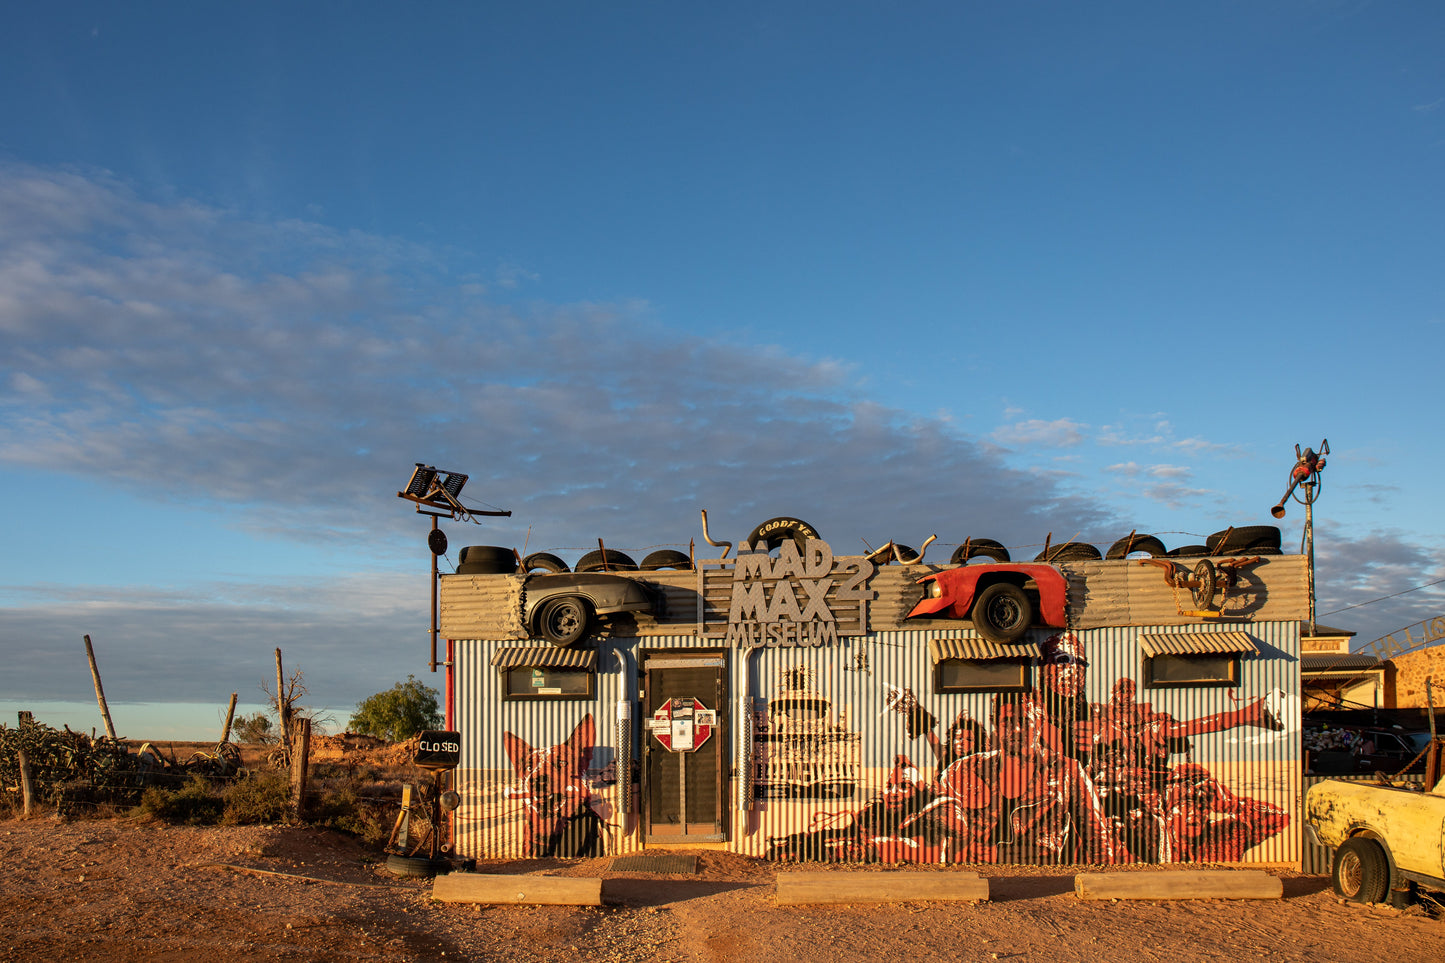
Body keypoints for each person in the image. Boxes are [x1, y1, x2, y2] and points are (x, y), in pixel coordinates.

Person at [925, 693, 1119, 864]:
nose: (1016, 729)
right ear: (995, 724)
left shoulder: (1068, 771)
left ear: (1040, 722)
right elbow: (945, 840)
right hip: (978, 886)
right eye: (1007, 721)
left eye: (1024, 721)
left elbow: (1098, 840)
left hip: (1040, 889)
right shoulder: (962, 770)